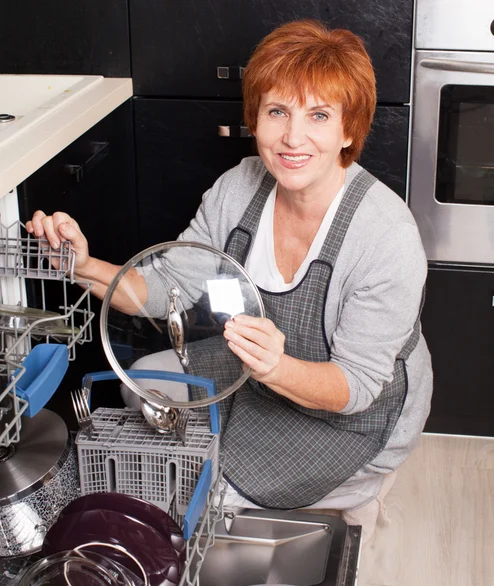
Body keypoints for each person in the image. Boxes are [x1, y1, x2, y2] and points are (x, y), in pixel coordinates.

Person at [27, 19, 432, 543]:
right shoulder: (239, 188)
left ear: (348, 130)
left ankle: (356, 501)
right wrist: (79, 264)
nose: (293, 137)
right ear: (255, 118)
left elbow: (353, 387)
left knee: (200, 486)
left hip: (348, 417)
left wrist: (277, 367)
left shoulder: (386, 237)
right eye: (277, 111)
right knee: (145, 382)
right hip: (253, 368)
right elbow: (162, 285)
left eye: (319, 115)